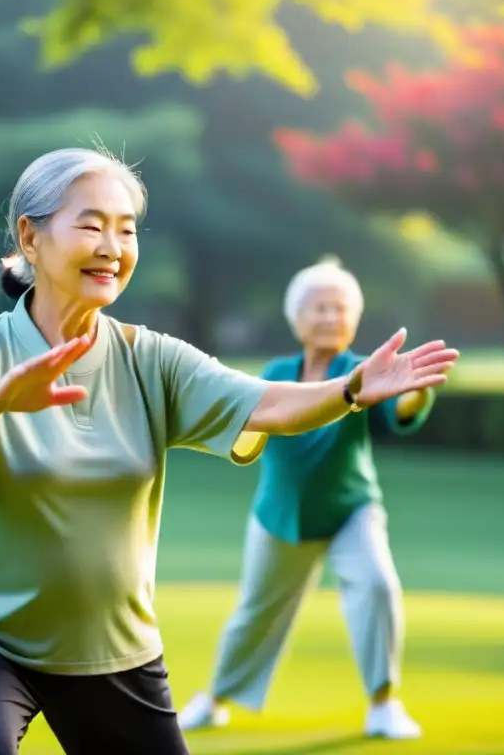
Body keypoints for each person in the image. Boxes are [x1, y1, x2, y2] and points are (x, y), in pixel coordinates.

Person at [0, 147, 459, 755]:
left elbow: (267, 403)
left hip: (112, 648)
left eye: (127, 229)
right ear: (30, 237)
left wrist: (350, 389)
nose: (113, 246)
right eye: (91, 225)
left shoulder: (152, 358)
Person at [178, 256, 435, 740]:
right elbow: (242, 420)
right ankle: (212, 698)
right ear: (298, 319)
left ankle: (383, 704)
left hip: (350, 511)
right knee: (254, 612)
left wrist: (413, 391)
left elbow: (399, 407)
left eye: (340, 309)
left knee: (377, 585)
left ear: (353, 319)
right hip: (280, 516)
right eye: (319, 308)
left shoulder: (362, 370)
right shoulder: (277, 371)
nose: (330, 317)